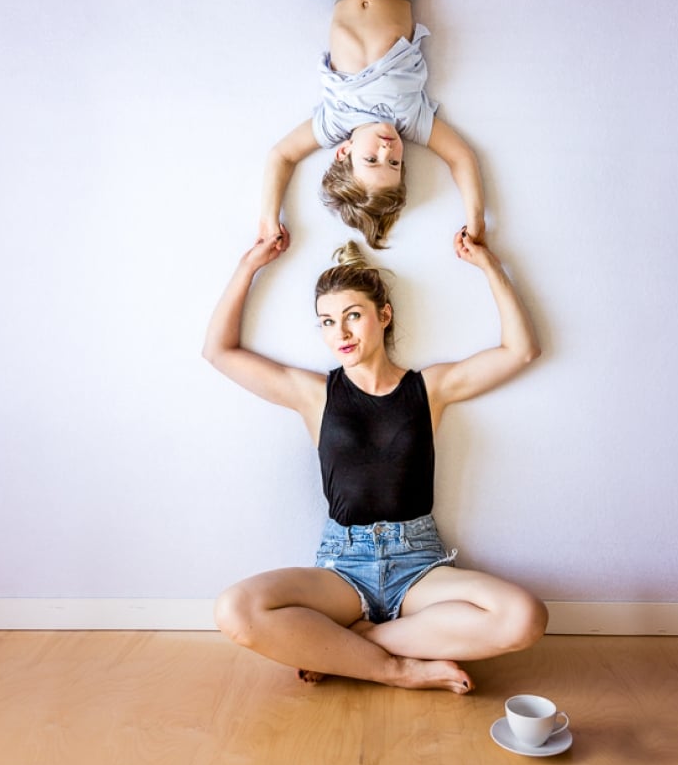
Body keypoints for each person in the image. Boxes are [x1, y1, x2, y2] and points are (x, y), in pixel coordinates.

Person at [202, 228, 547, 693]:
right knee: (235, 609)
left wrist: (489, 265)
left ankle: (356, 644)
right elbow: (218, 352)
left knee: (525, 617)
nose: (339, 332)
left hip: (418, 564)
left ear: (383, 315)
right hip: (343, 566)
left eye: (352, 316)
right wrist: (250, 265)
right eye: (325, 321)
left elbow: (520, 351)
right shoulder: (314, 394)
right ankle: (397, 668)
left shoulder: (429, 388)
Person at [260, 0, 485, 250]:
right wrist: (476, 219)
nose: (387, 150)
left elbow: (281, 156)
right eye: (395, 163)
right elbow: (461, 158)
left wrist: (268, 216)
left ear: (343, 152)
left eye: (372, 160)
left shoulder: (332, 125)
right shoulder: (410, 120)